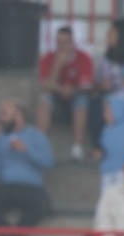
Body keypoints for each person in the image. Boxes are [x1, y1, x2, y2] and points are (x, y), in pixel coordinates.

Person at [0, 101, 54, 236]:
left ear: (19, 116)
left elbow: (48, 162)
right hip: (5, 185)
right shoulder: (0, 138)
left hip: (31, 187)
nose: (3, 118)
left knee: (41, 206)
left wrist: (26, 150)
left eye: (7, 114)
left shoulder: (36, 135)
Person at [37, 26, 93, 160]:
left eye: (65, 42)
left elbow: (86, 86)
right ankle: (39, 145)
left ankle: (77, 147)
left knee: (82, 99)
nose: (61, 46)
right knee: (44, 99)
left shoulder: (84, 58)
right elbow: (45, 85)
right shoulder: (48, 58)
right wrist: (57, 65)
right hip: (56, 102)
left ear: (73, 42)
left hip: (76, 101)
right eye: (58, 42)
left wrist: (72, 90)